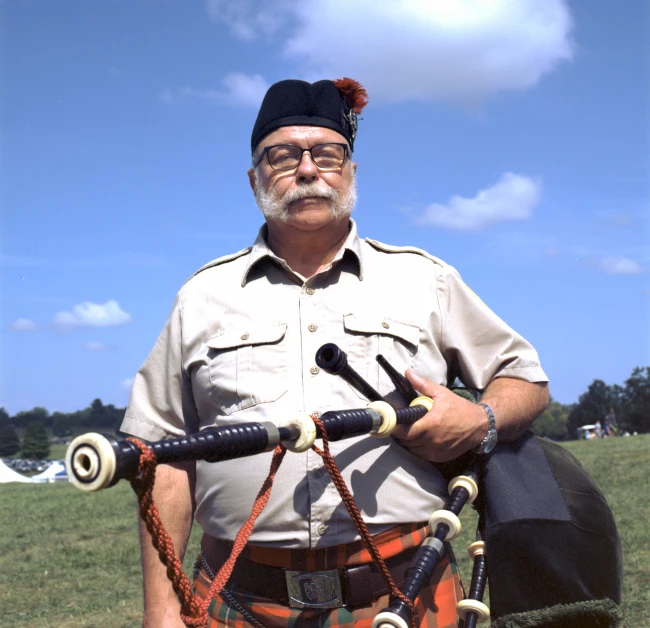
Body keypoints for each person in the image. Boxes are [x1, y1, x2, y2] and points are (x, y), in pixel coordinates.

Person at [121, 78, 549, 628]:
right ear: (255, 178)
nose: (306, 169)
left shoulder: (425, 279)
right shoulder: (201, 297)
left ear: (350, 171)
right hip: (239, 599)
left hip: (407, 591)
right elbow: (161, 457)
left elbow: (525, 380)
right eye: (282, 156)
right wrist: (162, 611)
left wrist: (480, 417)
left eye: (327, 153)